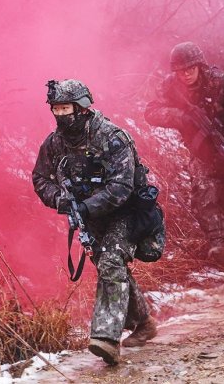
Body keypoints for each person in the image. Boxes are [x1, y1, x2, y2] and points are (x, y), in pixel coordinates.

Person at [32, 79, 160, 366]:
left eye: (65, 108)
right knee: (110, 268)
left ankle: (106, 338)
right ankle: (144, 323)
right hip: (89, 217)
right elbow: (40, 178)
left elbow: (121, 188)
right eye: (56, 108)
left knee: (112, 261)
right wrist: (60, 200)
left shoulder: (113, 138)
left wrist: (86, 207)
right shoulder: (54, 144)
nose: (60, 114)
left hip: (125, 212)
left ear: (82, 108)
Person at [145, 41, 224, 266]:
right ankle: (216, 244)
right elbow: (151, 112)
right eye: (180, 71)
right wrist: (181, 118)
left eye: (190, 70)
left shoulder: (221, 83)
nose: (185, 75)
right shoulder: (170, 86)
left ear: (199, 66)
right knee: (204, 193)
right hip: (200, 151)